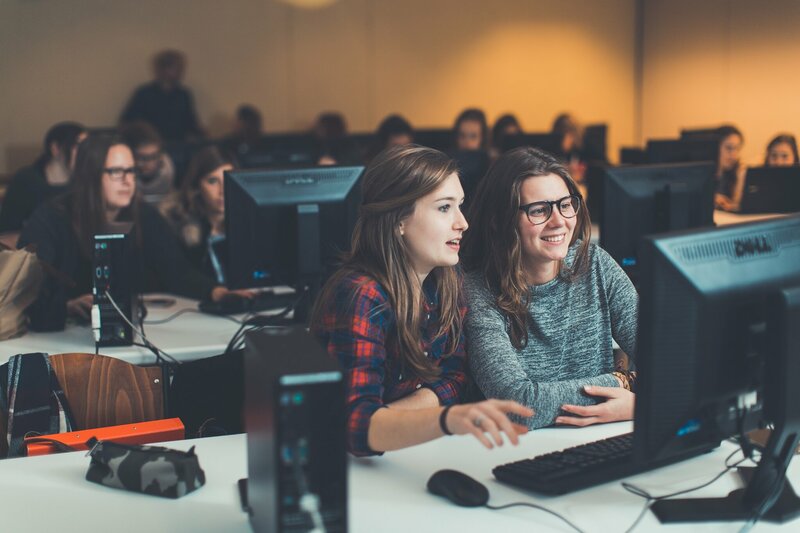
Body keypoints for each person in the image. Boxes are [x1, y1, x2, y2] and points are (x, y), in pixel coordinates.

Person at [310, 144, 532, 457]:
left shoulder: (446, 282)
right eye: (444, 208)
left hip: (404, 453)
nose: (462, 223)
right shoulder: (361, 294)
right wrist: (444, 418)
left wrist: (389, 418)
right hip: (343, 471)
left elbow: (455, 379)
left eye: (460, 206)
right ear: (399, 219)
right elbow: (355, 427)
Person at [461, 147, 638, 430]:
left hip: (603, 439)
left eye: (565, 204)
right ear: (499, 222)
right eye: (539, 210)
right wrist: (624, 382)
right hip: (518, 452)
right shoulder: (477, 291)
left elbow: (666, 362)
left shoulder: (595, 264)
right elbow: (516, 405)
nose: (559, 221)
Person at [17, 134, 241, 331]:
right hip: (60, 336)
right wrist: (66, 307)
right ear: (91, 175)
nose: (127, 181)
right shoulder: (51, 218)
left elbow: (176, 271)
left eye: (131, 171)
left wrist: (216, 292)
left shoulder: (143, 214)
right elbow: (28, 291)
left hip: (126, 332)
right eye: (116, 172)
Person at [160, 146, 234, 284]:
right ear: (197, 186)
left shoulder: (247, 223)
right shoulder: (180, 225)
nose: (223, 190)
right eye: (212, 181)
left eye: (228, 179)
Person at [0, 122, 87, 232]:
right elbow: (7, 228)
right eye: (78, 146)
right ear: (55, 148)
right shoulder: (26, 180)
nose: (85, 152)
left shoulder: (85, 182)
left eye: (86, 146)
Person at [120, 50, 203, 142]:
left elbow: (192, 123)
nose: (180, 72)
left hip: (179, 146)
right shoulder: (144, 94)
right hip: (150, 146)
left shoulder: (184, 95)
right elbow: (127, 123)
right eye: (176, 68)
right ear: (162, 70)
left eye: (181, 69)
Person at [120, 121, 176, 205]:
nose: (149, 163)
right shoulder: (121, 172)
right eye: (142, 158)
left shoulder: (166, 170)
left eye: (154, 157)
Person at [714, 125, 745, 211]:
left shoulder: (733, 174)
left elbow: (737, 204)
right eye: (729, 148)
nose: (734, 155)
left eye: (737, 149)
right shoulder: (701, 174)